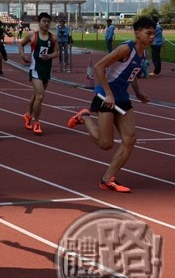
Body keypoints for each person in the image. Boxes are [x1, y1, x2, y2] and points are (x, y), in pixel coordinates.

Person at [66, 16, 155, 193]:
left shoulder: (143, 53)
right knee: (105, 144)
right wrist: (107, 93)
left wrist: (138, 93)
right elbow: (99, 67)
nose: (152, 37)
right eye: (148, 33)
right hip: (105, 97)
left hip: (122, 99)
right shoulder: (125, 49)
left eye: (154, 33)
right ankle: (84, 117)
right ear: (137, 33)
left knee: (130, 139)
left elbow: (132, 74)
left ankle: (107, 179)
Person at [19, 13, 58, 135]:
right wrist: (23, 55)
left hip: (46, 70)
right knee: (40, 96)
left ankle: (27, 115)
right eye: (44, 21)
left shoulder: (53, 38)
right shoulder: (32, 35)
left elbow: (56, 52)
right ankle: (37, 123)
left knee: (36, 96)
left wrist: (49, 56)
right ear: (39, 22)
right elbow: (21, 44)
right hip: (35, 69)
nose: (46, 23)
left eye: (48, 21)